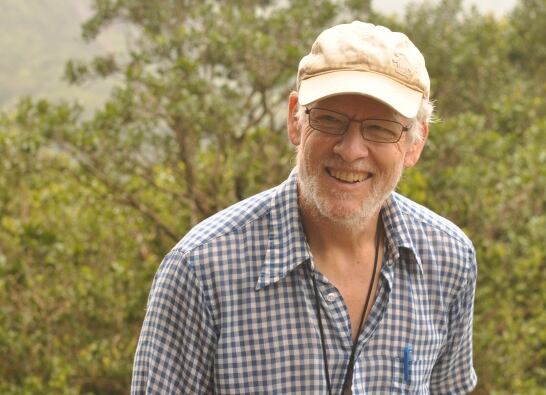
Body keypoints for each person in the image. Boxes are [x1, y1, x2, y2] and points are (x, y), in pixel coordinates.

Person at [132, 21, 477, 394]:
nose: (351, 150)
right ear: (296, 119)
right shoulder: (202, 270)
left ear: (415, 143)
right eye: (330, 119)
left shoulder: (448, 259)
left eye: (380, 128)